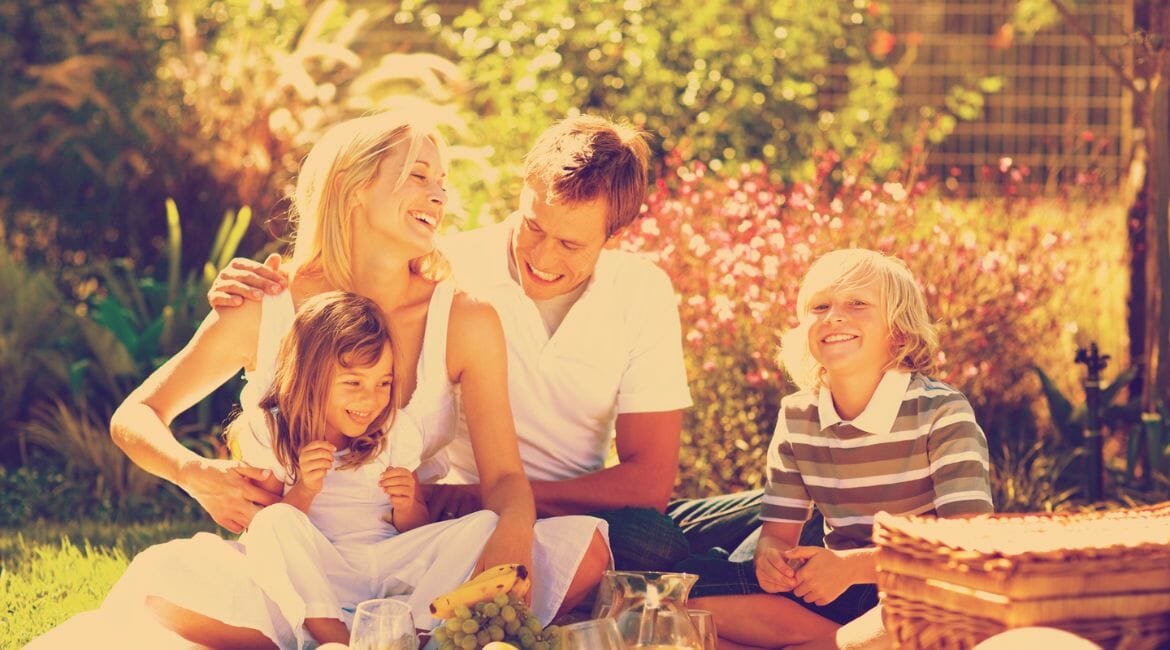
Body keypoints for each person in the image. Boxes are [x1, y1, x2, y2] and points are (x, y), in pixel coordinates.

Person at [33, 109, 608, 649]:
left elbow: (505, 475)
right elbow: (135, 416)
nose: (439, 193)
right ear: (354, 186)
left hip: (409, 562)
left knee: (582, 549)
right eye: (417, 175)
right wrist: (195, 474)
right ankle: (365, 635)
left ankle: (380, 632)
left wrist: (511, 532)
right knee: (166, 578)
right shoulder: (266, 304)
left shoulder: (464, 319)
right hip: (285, 567)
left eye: (443, 180)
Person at [211, 115, 712, 571]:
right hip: (447, 516)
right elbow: (333, 312)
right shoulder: (441, 269)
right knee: (660, 549)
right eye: (533, 226)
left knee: (698, 529)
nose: (542, 254)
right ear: (522, 192)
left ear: (614, 235)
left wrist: (490, 501)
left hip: (541, 505)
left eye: (570, 244)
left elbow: (649, 484)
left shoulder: (641, 290)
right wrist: (252, 295)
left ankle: (729, 583)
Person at [687, 248, 994, 649]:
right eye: (820, 306)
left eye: (857, 304)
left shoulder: (942, 411)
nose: (834, 316)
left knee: (924, 613)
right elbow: (777, 535)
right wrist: (771, 561)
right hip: (837, 593)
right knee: (691, 600)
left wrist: (852, 568)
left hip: (920, 586)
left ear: (898, 331)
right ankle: (839, 643)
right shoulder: (797, 416)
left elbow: (968, 546)